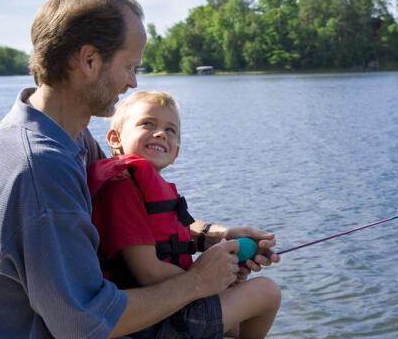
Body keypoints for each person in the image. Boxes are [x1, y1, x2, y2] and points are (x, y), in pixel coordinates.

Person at [0, 0, 278, 338]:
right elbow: (87, 324)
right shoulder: (39, 171)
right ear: (90, 61)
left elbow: (133, 215)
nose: (132, 82)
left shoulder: (66, 135)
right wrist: (198, 281)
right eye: (129, 66)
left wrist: (210, 236)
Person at [89, 90, 281, 338]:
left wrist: (226, 259)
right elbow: (147, 272)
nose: (160, 133)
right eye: (147, 123)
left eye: (171, 130)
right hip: (149, 319)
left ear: (176, 152)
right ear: (115, 138)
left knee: (237, 321)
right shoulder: (121, 190)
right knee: (266, 292)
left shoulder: (143, 187)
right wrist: (210, 279)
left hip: (170, 304)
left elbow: (170, 238)